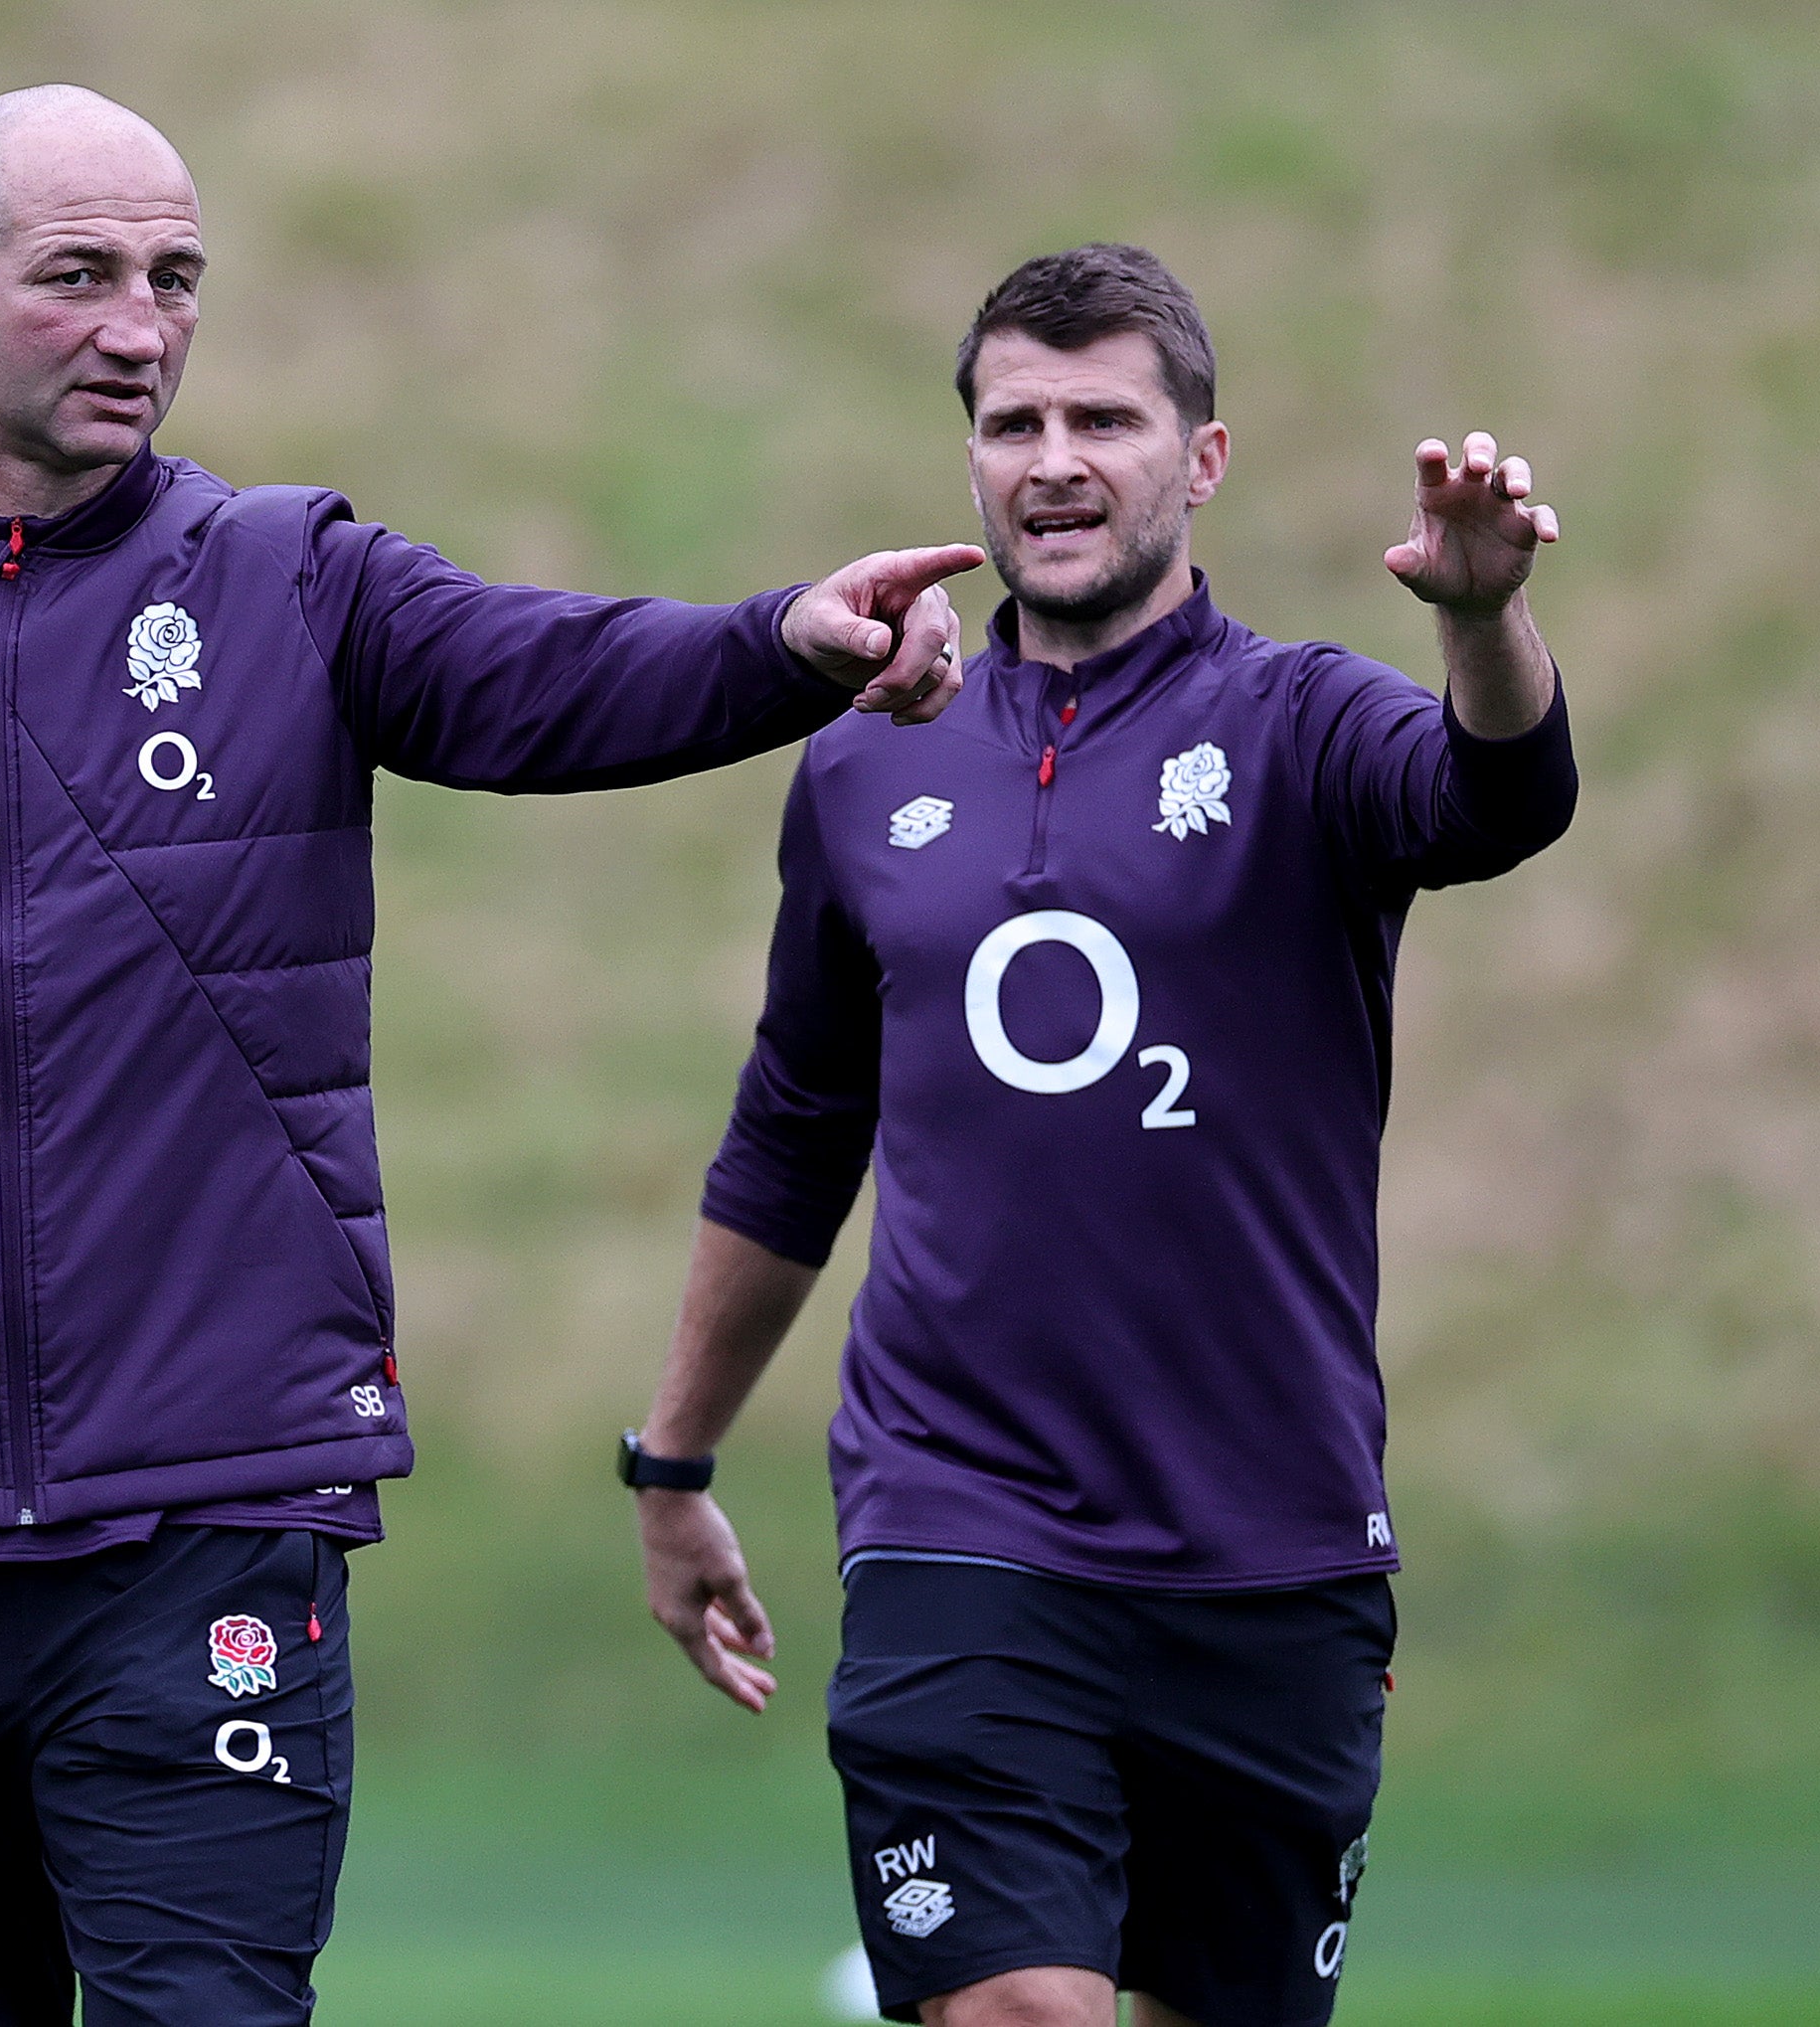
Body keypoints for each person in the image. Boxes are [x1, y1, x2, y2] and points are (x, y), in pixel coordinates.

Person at [0, 84, 978, 2027]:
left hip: (211, 1507)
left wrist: (783, 647)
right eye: (77, 277)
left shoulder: (290, 579)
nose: (139, 327)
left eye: (174, 281)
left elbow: (546, 681)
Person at [623, 243, 1577, 2027]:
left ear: (1200, 462)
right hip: (957, 1518)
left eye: (1106, 420)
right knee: (1018, 2010)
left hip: (1270, 1536)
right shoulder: (866, 761)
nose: (1053, 458)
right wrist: (672, 1464)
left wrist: (1476, 615)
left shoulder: (1302, 728)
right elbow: (792, 1130)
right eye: (1014, 422)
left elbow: (1501, 799)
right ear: (971, 456)